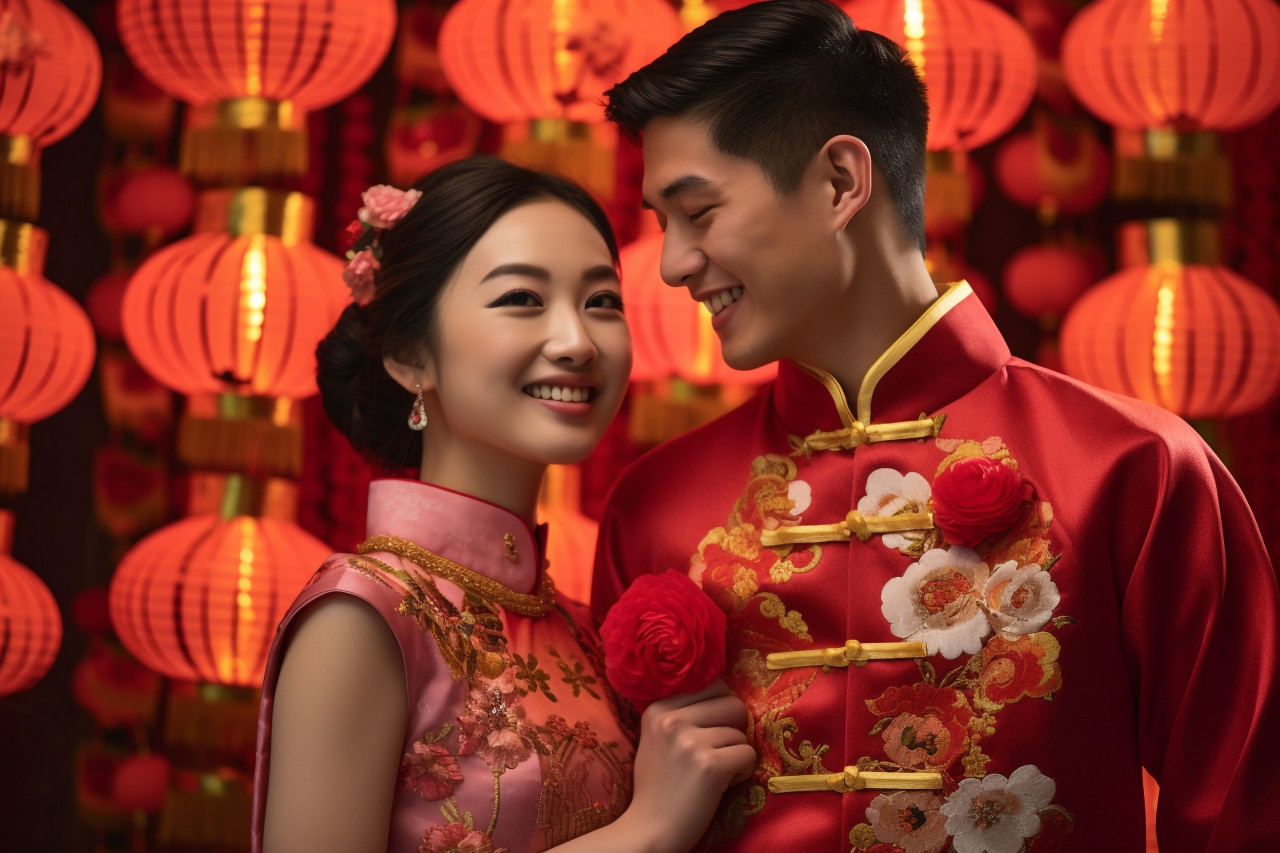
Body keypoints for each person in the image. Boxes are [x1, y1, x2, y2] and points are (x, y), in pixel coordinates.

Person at [591, 2, 1280, 851]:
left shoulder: (1133, 468)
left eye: (699, 212)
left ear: (841, 181)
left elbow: (1244, 817)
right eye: (663, 223)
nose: (673, 263)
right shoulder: (655, 505)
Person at [251, 156, 755, 853]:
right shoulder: (363, 617)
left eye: (601, 302)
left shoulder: (578, 627)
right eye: (521, 298)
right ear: (408, 353)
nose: (577, 342)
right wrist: (646, 830)